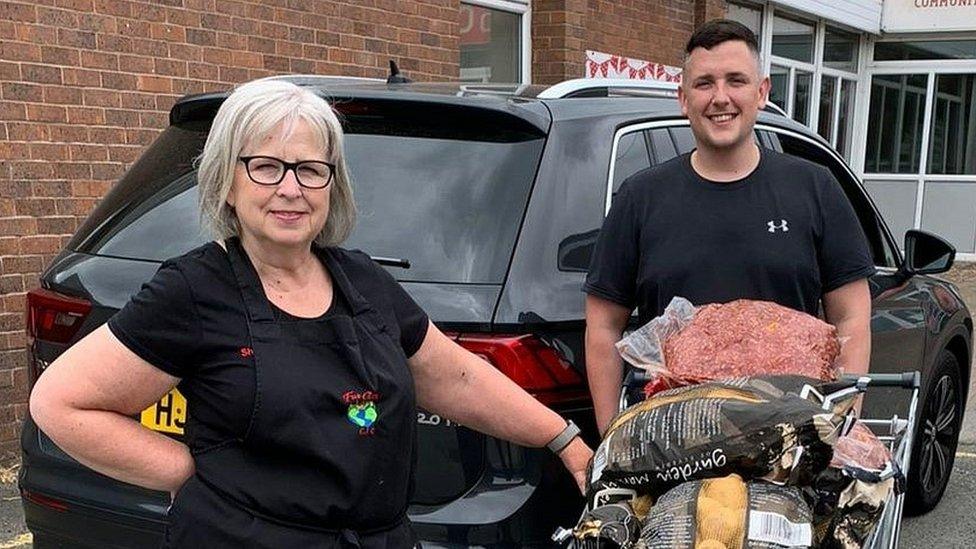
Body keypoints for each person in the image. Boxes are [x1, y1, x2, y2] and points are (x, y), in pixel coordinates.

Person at [28, 78, 593, 548]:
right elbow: (62, 402)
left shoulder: (363, 280)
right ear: (227, 181)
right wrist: (188, 474)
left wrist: (561, 436)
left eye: (309, 170)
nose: (290, 189)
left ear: (332, 185)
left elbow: (455, 376)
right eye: (266, 167)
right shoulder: (195, 289)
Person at [584, 19, 875, 434]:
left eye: (736, 80)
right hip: (672, 438)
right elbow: (603, 327)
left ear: (761, 92)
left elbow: (851, 320)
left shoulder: (815, 188)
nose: (720, 98)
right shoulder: (640, 197)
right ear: (683, 99)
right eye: (704, 84)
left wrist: (838, 429)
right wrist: (613, 438)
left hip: (788, 438)